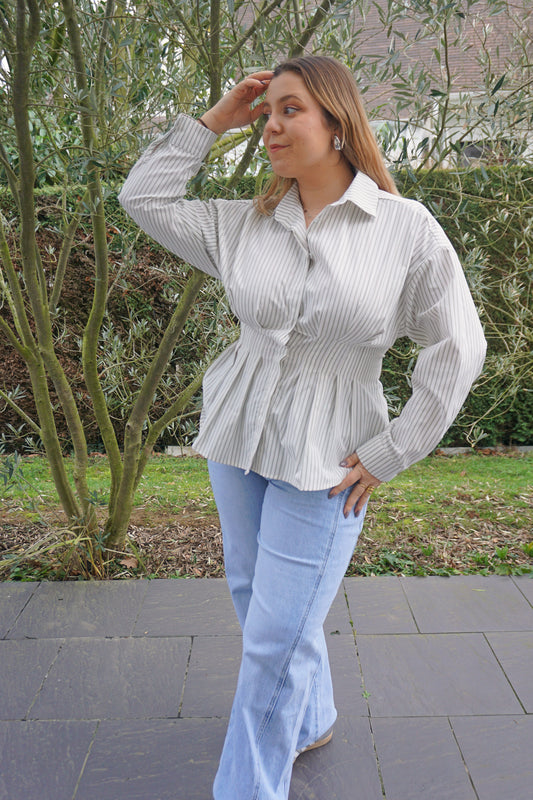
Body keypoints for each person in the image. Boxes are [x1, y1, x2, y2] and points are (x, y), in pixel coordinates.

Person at [119, 55, 486, 800]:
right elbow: (143, 196)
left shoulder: (404, 228)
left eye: (290, 110)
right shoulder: (244, 224)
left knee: (272, 640)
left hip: (331, 454)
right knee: (256, 595)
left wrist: (395, 448)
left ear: (337, 123)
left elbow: (458, 344)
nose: (271, 127)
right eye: (267, 114)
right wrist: (215, 121)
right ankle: (310, 715)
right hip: (239, 432)